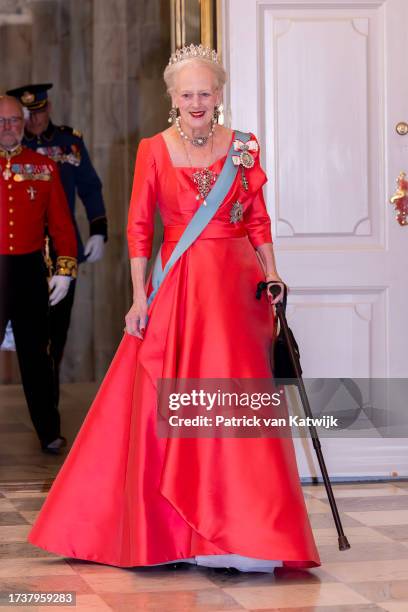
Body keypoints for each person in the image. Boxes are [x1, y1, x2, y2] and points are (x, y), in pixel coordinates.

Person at [28, 45, 320, 571]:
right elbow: (140, 228)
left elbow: (257, 220)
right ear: (173, 98)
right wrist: (141, 296)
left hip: (237, 294)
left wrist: (272, 272)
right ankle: (172, 533)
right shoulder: (153, 150)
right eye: (187, 94)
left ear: (220, 94)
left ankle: (241, 534)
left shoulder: (244, 148)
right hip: (180, 290)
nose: (197, 102)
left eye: (206, 92)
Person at [6, 83, 108, 406]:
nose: (34, 121)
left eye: (39, 113)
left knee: (57, 330)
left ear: (48, 109)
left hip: (63, 248)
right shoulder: (11, 143)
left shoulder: (69, 142)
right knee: (32, 336)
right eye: (28, 115)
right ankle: (43, 404)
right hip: (24, 251)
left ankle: (48, 401)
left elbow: (89, 186)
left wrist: (98, 229)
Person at [0, 95, 77, 453]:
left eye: (14, 120)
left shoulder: (44, 167)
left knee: (37, 355)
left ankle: (49, 431)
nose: (8, 127)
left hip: (30, 269)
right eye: (1, 121)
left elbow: (61, 223)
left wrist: (65, 269)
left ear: (25, 122)